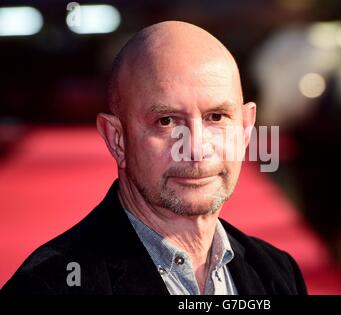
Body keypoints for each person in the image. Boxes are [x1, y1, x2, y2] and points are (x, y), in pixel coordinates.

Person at [1, 21, 307, 295]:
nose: (197, 147)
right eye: (167, 121)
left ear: (244, 127)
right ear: (116, 138)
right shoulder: (48, 286)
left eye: (216, 116)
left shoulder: (277, 272)